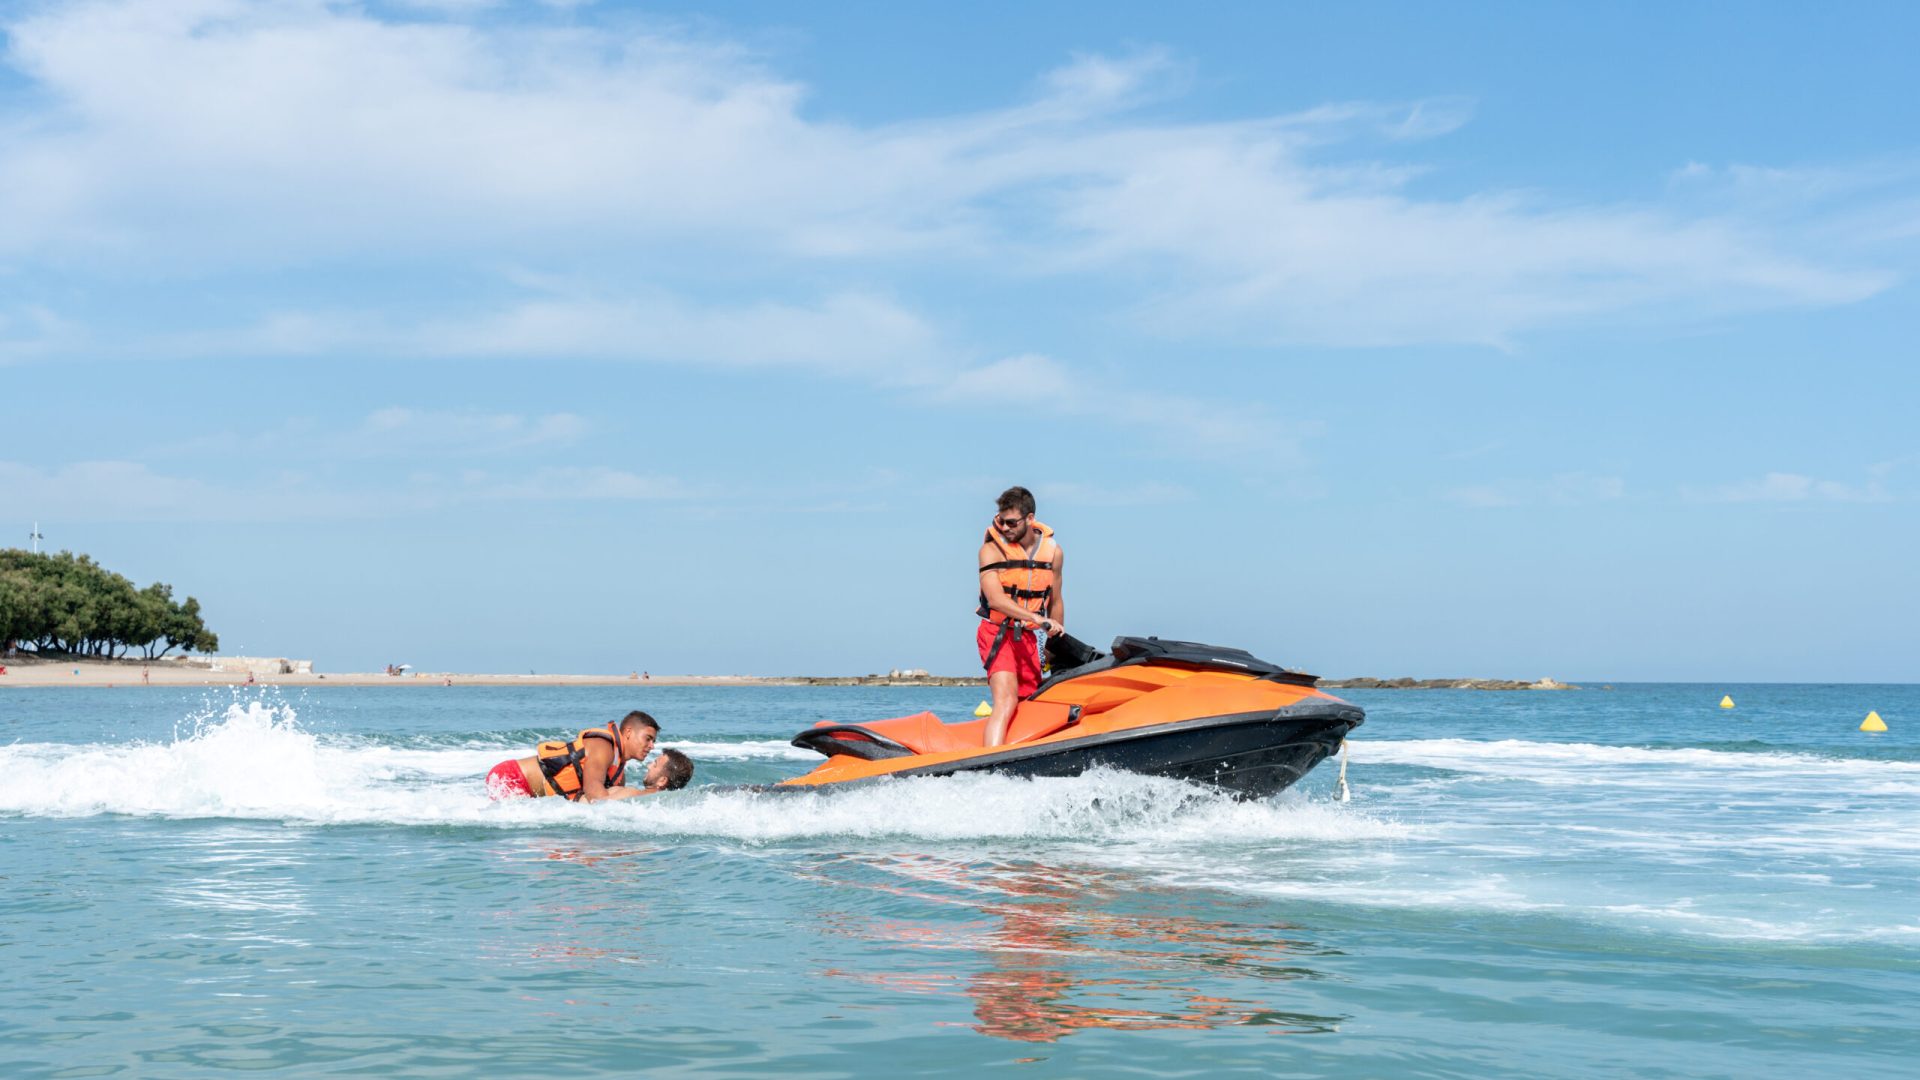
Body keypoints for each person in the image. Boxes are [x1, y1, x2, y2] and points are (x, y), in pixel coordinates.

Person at [977, 486, 1065, 747]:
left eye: (1012, 522)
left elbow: (1056, 600)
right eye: (1001, 521)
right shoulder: (991, 551)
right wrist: (1037, 619)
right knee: (1006, 699)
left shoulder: (1053, 553)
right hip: (996, 633)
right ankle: (989, 768)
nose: (1005, 527)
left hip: (1027, 638)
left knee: (1029, 702)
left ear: (1030, 519)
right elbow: (996, 599)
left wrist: (1054, 644)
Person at [486, 710, 661, 802]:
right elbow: (595, 796)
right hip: (510, 777)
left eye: (653, 741)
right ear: (629, 732)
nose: (651, 746)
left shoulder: (619, 775)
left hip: (530, 794)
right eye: (648, 738)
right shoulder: (603, 747)